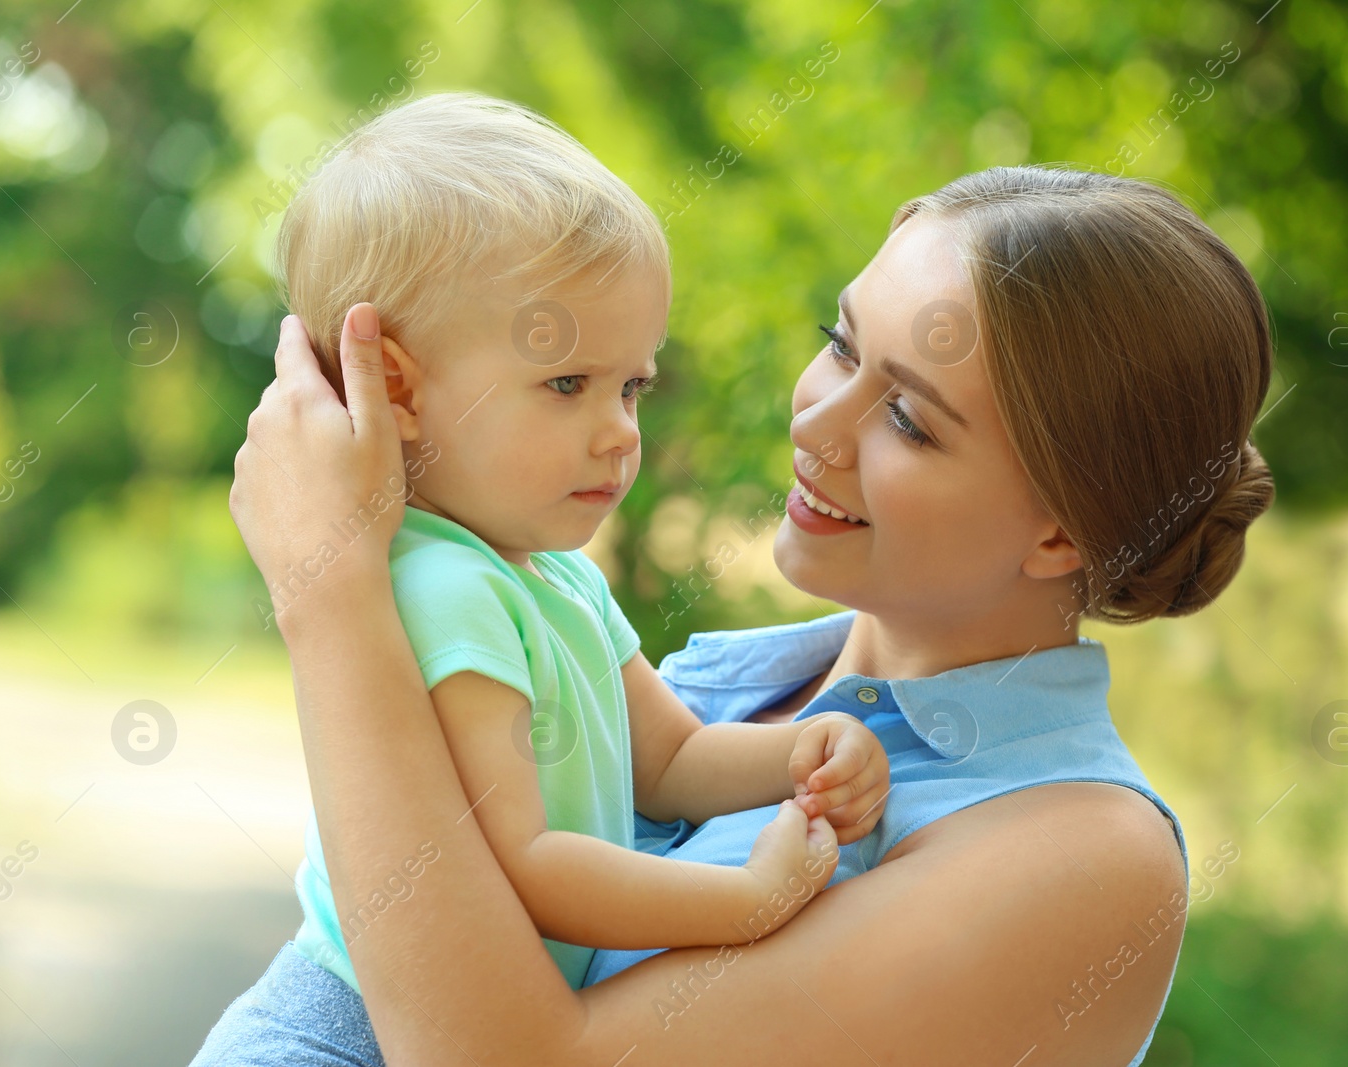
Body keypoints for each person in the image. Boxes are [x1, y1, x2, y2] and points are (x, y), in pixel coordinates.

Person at [220, 163, 1275, 1065]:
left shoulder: (1082, 857)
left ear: (1060, 532)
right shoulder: (723, 693)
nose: (815, 418)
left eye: (906, 416)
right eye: (840, 342)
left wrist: (329, 597)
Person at [193, 93, 891, 1063]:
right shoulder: (442, 588)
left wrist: (797, 755)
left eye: (631, 384)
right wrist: (748, 898)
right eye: (568, 384)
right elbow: (530, 864)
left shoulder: (554, 576)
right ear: (397, 387)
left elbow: (670, 763)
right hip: (339, 1033)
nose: (619, 431)